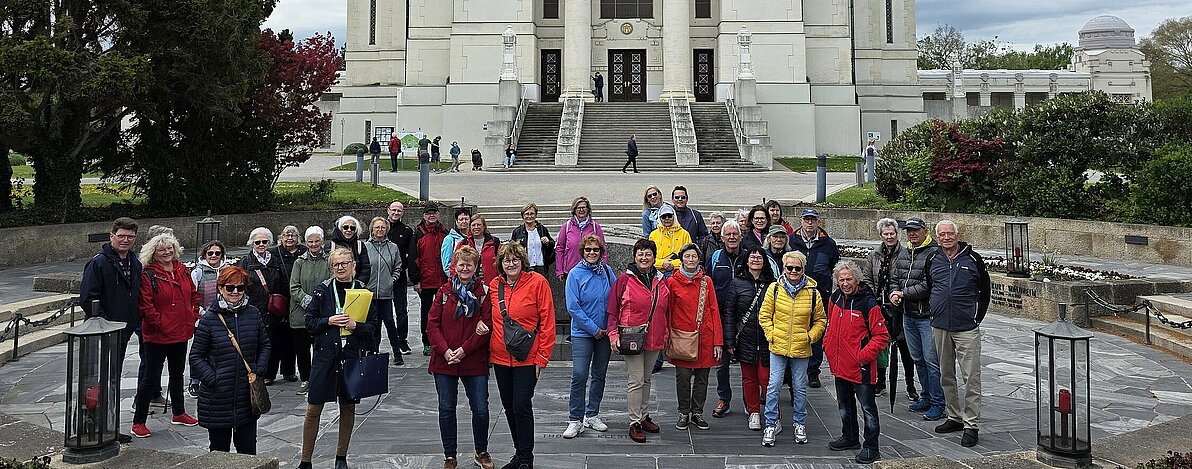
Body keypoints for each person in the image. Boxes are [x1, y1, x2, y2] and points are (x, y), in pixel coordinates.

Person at [297, 246, 380, 469]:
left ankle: (341, 457)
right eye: (335, 264)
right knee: (314, 408)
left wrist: (356, 326)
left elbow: (373, 326)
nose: (340, 267)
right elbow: (310, 323)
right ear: (331, 267)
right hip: (325, 356)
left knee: (348, 407)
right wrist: (329, 321)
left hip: (351, 356)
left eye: (344, 263)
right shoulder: (323, 290)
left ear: (353, 265)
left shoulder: (362, 290)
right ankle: (306, 460)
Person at [80, 218, 149, 442]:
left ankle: (110, 427)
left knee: (114, 380)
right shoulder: (98, 263)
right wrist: (104, 323)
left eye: (130, 237)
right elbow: (88, 298)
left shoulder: (134, 262)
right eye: (121, 236)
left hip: (125, 330)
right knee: (102, 381)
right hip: (104, 333)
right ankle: (98, 427)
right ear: (112, 236)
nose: (125, 240)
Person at [488, 243, 556, 469]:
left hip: (528, 357)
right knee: (508, 406)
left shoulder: (538, 283)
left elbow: (547, 321)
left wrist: (543, 356)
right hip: (500, 357)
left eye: (515, 259)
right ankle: (519, 452)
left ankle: (526, 459)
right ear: (501, 264)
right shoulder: (494, 286)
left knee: (521, 405)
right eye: (506, 260)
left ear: (523, 261)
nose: (511, 263)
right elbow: (488, 318)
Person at [189, 266, 269, 454]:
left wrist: (259, 369)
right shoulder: (209, 319)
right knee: (219, 452)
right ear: (220, 288)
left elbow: (264, 344)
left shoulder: (253, 313)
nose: (235, 292)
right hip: (217, 398)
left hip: (247, 396)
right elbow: (196, 356)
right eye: (230, 288)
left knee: (248, 451)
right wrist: (213, 379)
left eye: (240, 288)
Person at [427, 246, 495, 469]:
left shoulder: (483, 293)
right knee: (446, 408)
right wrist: (446, 350)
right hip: (444, 360)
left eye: (469, 264)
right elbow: (432, 325)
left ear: (476, 267)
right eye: (461, 264)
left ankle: (481, 451)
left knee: (480, 408)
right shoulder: (444, 292)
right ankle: (450, 455)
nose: (465, 268)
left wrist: (464, 350)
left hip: (473, 359)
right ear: (454, 267)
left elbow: (486, 326)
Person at [926, 220, 990, 448]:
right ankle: (954, 416)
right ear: (937, 237)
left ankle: (971, 424)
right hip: (941, 326)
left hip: (966, 328)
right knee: (946, 374)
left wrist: (976, 318)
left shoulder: (972, 259)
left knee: (971, 377)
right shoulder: (933, 259)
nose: (946, 238)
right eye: (941, 234)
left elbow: (985, 290)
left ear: (957, 235)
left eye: (949, 234)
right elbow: (929, 285)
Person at [131, 234, 201, 438]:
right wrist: (160, 324)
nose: (167, 252)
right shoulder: (148, 274)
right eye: (162, 249)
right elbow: (145, 305)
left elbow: (193, 295)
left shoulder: (182, 270)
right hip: (157, 335)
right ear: (154, 252)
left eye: (170, 248)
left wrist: (193, 315)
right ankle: (139, 421)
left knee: (177, 374)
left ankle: (179, 412)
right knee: (150, 378)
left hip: (181, 331)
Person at [758, 251, 826, 447]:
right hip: (778, 345)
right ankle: (770, 424)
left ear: (803, 269)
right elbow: (764, 315)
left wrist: (810, 337)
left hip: (801, 347)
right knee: (773, 386)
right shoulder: (775, 289)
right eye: (790, 268)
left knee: (799, 388)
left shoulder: (813, 292)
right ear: (784, 268)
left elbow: (821, 320)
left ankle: (799, 423)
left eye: (798, 268)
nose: (793, 271)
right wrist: (771, 334)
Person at [824, 261, 889, 464]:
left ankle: (871, 447)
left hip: (860, 368)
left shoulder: (868, 303)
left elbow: (881, 336)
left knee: (868, 409)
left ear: (857, 279)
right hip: (839, 365)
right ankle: (850, 437)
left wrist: (861, 356)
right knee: (844, 405)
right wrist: (827, 346)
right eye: (841, 279)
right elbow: (830, 326)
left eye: (849, 278)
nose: (845, 283)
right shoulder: (834, 298)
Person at [607, 239, 670, 443]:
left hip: (654, 335)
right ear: (634, 256)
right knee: (636, 380)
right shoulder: (624, 280)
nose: (644, 258)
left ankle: (643, 416)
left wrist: (666, 333)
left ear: (654, 257)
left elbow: (666, 309)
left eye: (648, 254)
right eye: (640, 254)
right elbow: (612, 310)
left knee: (647, 378)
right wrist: (613, 335)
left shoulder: (660, 280)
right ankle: (634, 421)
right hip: (631, 336)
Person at [887, 216, 944, 420]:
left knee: (931, 361)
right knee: (917, 359)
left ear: (925, 230)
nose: (911, 233)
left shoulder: (934, 253)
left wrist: (903, 293)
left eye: (915, 230)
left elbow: (930, 285)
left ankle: (939, 402)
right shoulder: (904, 252)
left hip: (926, 316)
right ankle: (926, 396)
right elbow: (894, 277)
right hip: (907, 314)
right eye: (908, 231)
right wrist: (894, 292)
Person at [562, 235, 615, 439]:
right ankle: (575, 418)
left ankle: (592, 413)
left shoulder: (607, 272)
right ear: (582, 251)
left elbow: (615, 298)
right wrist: (594, 328)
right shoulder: (575, 274)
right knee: (580, 375)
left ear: (601, 252)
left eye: (596, 250)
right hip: (583, 333)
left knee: (599, 374)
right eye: (588, 250)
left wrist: (608, 327)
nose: (592, 253)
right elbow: (573, 307)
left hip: (604, 333)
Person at [666, 244, 722, 431]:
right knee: (682, 377)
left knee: (702, 378)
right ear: (681, 258)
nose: (691, 260)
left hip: (705, 336)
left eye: (694, 256)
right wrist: (668, 335)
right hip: (682, 336)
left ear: (699, 259)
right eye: (687, 256)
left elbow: (714, 310)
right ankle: (683, 411)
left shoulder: (707, 281)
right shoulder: (672, 282)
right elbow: (668, 310)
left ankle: (697, 411)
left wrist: (718, 341)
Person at [723, 246, 777, 431]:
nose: (755, 260)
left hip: (767, 339)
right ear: (746, 261)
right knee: (749, 379)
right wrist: (729, 340)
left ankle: (773, 415)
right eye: (752, 257)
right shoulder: (737, 283)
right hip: (745, 338)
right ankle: (753, 411)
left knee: (767, 379)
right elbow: (729, 312)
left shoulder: (772, 284)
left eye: (759, 257)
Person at [864, 218, 915, 400]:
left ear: (896, 234)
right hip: (879, 305)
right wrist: (873, 300)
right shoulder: (874, 255)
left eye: (892, 233)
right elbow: (867, 278)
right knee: (880, 345)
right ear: (881, 235)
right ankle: (881, 381)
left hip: (900, 305)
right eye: (885, 234)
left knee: (905, 346)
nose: (889, 237)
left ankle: (910, 385)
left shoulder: (905, 253)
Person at [788, 208, 839, 389]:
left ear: (818, 222)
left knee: (816, 332)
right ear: (801, 221)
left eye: (813, 220)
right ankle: (793, 369)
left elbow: (834, 266)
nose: (810, 223)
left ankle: (813, 371)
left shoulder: (828, 243)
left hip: (819, 295)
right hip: (795, 295)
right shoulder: (791, 241)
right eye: (806, 219)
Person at [705, 219, 744, 418]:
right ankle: (724, 398)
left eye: (734, 234)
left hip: (744, 318)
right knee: (722, 362)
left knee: (748, 362)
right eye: (728, 234)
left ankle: (750, 402)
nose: (731, 237)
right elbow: (707, 284)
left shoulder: (748, 257)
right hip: (721, 316)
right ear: (722, 237)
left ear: (740, 236)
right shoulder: (715, 257)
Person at [237, 227, 285, 385]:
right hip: (254, 306)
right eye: (257, 242)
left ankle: (269, 374)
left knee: (272, 342)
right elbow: (240, 284)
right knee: (254, 341)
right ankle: (254, 373)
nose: (261, 244)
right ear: (252, 243)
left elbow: (283, 282)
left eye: (265, 241)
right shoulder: (245, 261)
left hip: (273, 308)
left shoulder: (276, 260)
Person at [289, 226, 329, 395]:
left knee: (321, 347)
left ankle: (321, 379)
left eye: (317, 241)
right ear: (306, 243)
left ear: (322, 242)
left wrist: (319, 301)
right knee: (302, 350)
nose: (313, 244)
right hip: (300, 313)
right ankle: (306, 379)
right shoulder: (299, 262)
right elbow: (293, 287)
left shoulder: (328, 261)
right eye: (310, 241)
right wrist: (309, 302)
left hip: (322, 312)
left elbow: (331, 281)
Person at [189, 240, 229, 398]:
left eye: (217, 253)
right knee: (199, 350)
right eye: (210, 253)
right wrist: (199, 313)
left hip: (224, 317)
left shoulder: (228, 270)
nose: (214, 256)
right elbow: (192, 296)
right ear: (204, 254)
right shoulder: (197, 272)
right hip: (203, 317)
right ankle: (194, 380)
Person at [270, 225, 307, 384]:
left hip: (297, 299)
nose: (290, 238)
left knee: (293, 338)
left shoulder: (304, 251)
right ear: (281, 237)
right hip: (280, 298)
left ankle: (289, 371)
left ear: (298, 238)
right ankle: (269, 374)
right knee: (275, 338)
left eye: (293, 235)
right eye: (286, 235)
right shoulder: (274, 252)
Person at [364, 217, 404, 357]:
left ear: (386, 229)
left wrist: (391, 280)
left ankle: (396, 350)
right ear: (372, 229)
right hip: (370, 292)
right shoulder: (365, 247)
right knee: (374, 324)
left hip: (386, 292)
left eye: (382, 227)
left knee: (389, 321)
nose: (380, 230)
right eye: (377, 227)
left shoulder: (393, 247)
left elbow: (398, 266)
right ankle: (374, 352)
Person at [414, 205, 451, 357]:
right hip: (426, 281)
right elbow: (414, 258)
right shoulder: (418, 234)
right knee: (427, 313)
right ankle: (427, 342)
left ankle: (445, 340)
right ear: (424, 216)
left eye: (434, 213)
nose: (431, 216)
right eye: (428, 214)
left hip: (443, 280)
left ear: (438, 215)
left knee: (446, 312)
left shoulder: (444, 232)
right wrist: (416, 280)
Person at [387, 201, 419, 359]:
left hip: (399, 277)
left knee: (401, 311)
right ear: (388, 210)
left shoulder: (407, 231)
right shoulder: (381, 228)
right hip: (381, 278)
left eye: (399, 210)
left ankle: (402, 340)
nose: (396, 213)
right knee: (380, 313)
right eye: (393, 210)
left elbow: (410, 254)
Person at [554, 196, 606, 282]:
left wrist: (603, 266)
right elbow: (560, 249)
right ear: (574, 210)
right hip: (571, 270)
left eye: (583, 207)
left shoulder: (595, 226)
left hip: (592, 270)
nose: (581, 210)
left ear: (588, 209)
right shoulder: (566, 226)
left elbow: (603, 247)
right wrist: (559, 270)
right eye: (578, 208)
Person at [510, 203, 556, 275]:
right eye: (526, 214)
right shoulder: (517, 232)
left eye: (532, 214)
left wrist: (547, 242)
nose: (529, 216)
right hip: (525, 268)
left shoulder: (542, 229)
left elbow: (552, 244)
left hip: (541, 267)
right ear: (523, 216)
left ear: (535, 215)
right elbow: (511, 249)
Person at [327, 215, 372, 284]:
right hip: (334, 285)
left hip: (355, 285)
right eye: (345, 227)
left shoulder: (360, 246)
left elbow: (365, 268)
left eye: (352, 228)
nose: (349, 230)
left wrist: (358, 284)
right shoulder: (331, 245)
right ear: (340, 228)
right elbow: (327, 268)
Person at [457, 215, 501, 283]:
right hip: (469, 284)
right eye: (473, 225)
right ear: (470, 227)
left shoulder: (495, 243)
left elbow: (500, 264)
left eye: (479, 225)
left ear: (484, 226)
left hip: (491, 283)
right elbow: (454, 264)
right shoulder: (463, 243)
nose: (476, 227)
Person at [648, 204, 691, 274]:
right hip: (657, 272)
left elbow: (689, 256)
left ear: (674, 216)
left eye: (669, 216)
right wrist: (662, 263)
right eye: (664, 216)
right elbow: (649, 256)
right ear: (660, 218)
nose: (667, 218)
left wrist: (673, 264)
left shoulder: (684, 234)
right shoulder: (653, 235)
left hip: (678, 272)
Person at [441, 208, 471, 277]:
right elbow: (446, 264)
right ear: (456, 222)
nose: (464, 222)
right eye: (461, 219)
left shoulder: (473, 238)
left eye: (466, 219)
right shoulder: (449, 239)